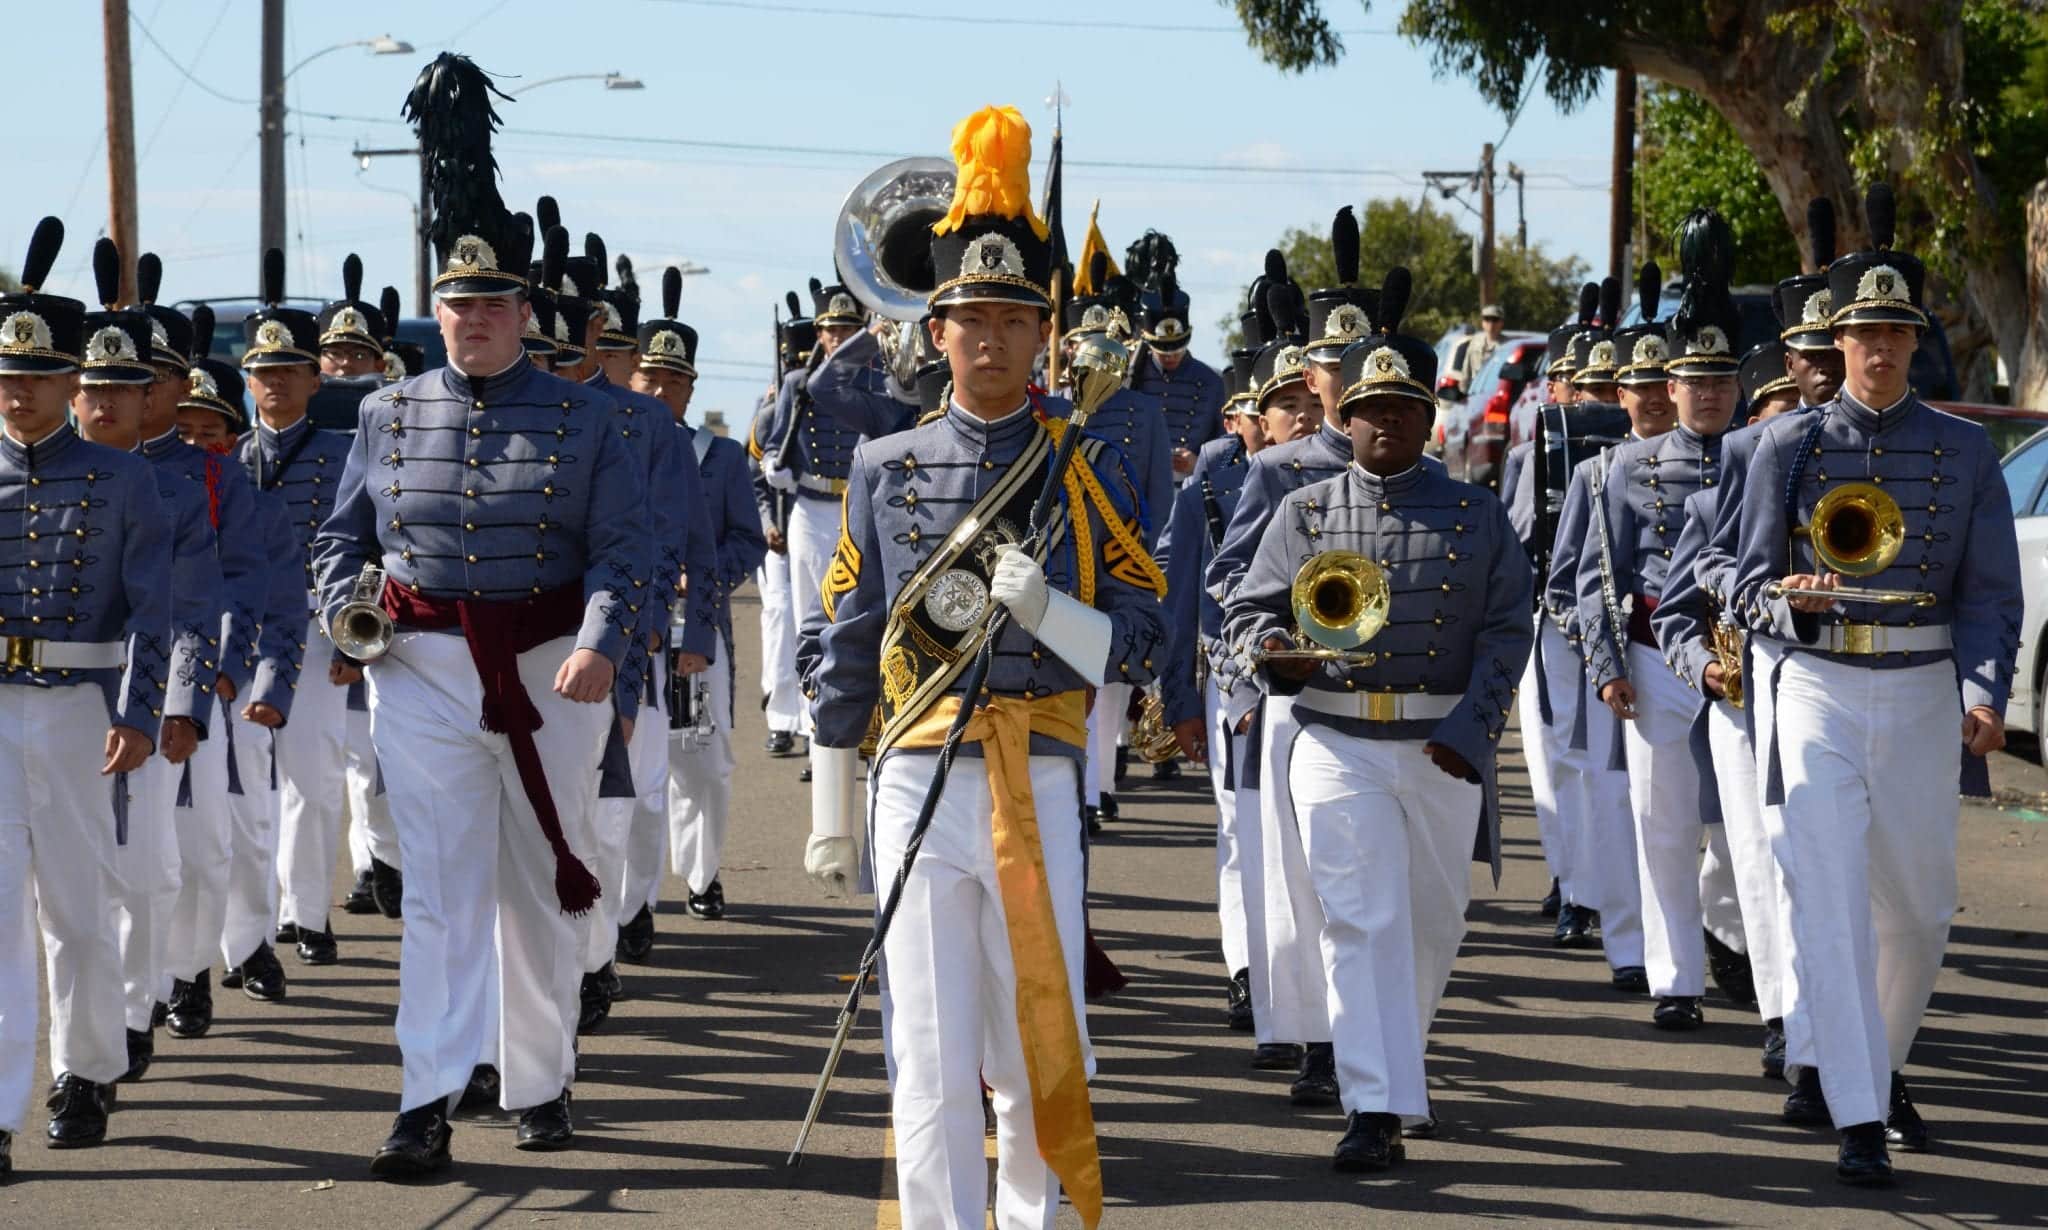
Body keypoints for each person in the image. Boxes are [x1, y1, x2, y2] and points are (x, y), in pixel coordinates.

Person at [800, 104, 1166, 1229]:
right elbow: (848, 634)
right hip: (914, 766)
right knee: (926, 1042)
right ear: (938, 330)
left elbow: (1142, 635)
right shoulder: (884, 463)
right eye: (973, 321)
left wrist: (1051, 612)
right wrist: (829, 807)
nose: (993, 341)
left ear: (1042, 334)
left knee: (1034, 1031)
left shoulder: (1082, 465)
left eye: (1014, 320)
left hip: (1036, 770)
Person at [312, 53, 653, 1175]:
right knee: (441, 890)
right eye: (457, 303)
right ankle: (426, 1096)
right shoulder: (385, 411)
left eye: (492, 303)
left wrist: (601, 644)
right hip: (419, 668)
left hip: (553, 664)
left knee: (536, 880)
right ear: (439, 310)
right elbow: (341, 539)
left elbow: (626, 549)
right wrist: (342, 610)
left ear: (523, 311)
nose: (473, 319)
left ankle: (538, 1076)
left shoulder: (585, 419)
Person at [1731, 184, 2020, 1187]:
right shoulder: (1784, 444)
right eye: (1865, 333)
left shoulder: (1963, 448)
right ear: (1838, 341)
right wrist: (1787, 601)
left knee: (1920, 910)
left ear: (1914, 342)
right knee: (1828, 898)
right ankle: (1857, 1112)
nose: (1881, 350)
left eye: (1897, 332)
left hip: (1920, 685)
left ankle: (1876, 1064)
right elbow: (1738, 581)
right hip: (1815, 681)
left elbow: (1990, 594)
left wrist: (1984, 693)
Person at [1224, 274, 1532, 1169]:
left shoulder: (1477, 514)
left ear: (1428, 418)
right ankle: (1372, 1106)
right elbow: (1248, 610)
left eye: (1404, 408)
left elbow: (1508, 630)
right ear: (1345, 417)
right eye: (1370, 408)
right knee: (1359, 922)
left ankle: (1397, 1069)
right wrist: (1271, 649)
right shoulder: (1303, 510)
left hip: (1440, 745)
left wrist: (1474, 733)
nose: (1387, 421)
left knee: (1431, 926)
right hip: (1333, 738)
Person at [0, 216, 170, 1164]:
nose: (16, 390)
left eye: (36, 375)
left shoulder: (121, 480)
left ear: (72, 381)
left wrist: (141, 712)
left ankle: (86, 1070)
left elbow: (153, 610)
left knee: (75, 907)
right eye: (5, 374)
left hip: (77, 708)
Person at [1580, 214, 1750, 1033]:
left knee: (1746, 827)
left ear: (1738, 385)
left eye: (1722, 379)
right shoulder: (1626, 466)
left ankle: (1738, 942)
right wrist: (1608, 664)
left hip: (1749, 659)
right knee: (1665, 822)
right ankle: (1675, 977)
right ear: (1669, 385)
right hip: (1657, 657)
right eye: (1694, 379)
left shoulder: (1767, 454)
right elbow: (1598, 573)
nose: (1709, 393)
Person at [72, 242, 223, 1089]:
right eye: (91, 388)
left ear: (149, 399)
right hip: (46, 695)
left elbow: (192, 612)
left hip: (144, 694)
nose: (104, 404)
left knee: (144, 869)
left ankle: (130, 1017)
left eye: (122, 389)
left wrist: (181, 704)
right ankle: (80, 1044)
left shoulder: (179, 493)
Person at [629, 269, 767, 926]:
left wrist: (704, 577)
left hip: (696, 632)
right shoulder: (610, 448)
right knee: (632, 765)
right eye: (649, 378)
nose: (660, 391)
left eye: (673, 381)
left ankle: (702, 874)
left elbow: (747, 539)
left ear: (690, 389)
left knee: (701, 762)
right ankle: (632, 892)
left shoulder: (722, 457)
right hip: (630, 631)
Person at [236, 249, 357, 970]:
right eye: (263, 370)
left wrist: (353, 639)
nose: (275, 381)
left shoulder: (346, 454)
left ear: (315, 378)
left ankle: (307, 913)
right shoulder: (227, 456)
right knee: (248, 783)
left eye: (289, 369)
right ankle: (251, 927)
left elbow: (369, 548)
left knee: (313, 777)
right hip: (241, 630)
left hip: (316, 627)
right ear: (247, 378)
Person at [750, 296, 810, 760]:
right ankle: (780, 719)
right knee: (779, 621)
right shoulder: (771, 411)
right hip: (778, 538)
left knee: (811, 626)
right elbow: (756, 478)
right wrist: (769, 524)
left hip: (812, 527)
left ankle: (810, 722)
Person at [1127, 239, 1225, 478]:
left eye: (1176, 349)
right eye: (1163, 350)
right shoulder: (1130, 375)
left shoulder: (1211, 381)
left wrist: (1199, 463)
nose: (1170, 356)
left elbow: (1228, 445)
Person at [1458, 302, 1506, 389]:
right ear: (1482, 322)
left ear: (1501, 322)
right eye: (1487, 319)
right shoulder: (1475, 342)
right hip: (1475, 390)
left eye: (1495, 320)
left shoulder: (1507, 346)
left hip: (1496, 390)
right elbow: (1466, 371)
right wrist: (1463, 391)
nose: (1491, 324)